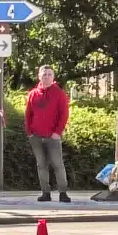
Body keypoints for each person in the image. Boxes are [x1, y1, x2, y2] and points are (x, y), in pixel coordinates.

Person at [25, 65, 70, 203]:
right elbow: (28, 114)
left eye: (49, 74)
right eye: (44, 74)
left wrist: (57, 132)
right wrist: (29, 132)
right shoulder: (33, 94)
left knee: (58, 164)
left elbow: (64, 114)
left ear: (53, 77)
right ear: (39, 76)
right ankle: (45, 193)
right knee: (41, 165)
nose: (46, 77)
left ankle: (63, 193)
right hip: (36, 136)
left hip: (53, 137)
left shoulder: (59, 93)